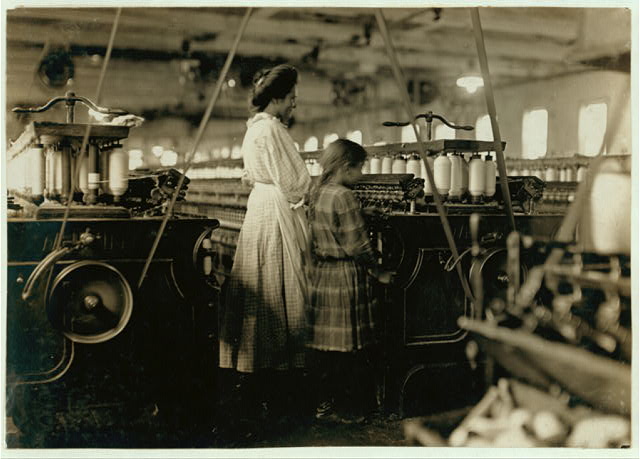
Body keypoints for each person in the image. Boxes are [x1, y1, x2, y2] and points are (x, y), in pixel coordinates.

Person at [218, 64, 312, 426]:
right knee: (283, 290)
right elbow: (295, 182)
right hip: (275, 210)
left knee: (262, 285)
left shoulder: (253, 129)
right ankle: (280, 387)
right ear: (276, 99)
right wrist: (310, 196)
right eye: (291, 99)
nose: (294, 106)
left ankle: (257, 377)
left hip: (259, 206)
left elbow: (252, 175)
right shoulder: (272, 130)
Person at [307, 139, 394, 424]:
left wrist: (362, 214)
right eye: (360, 168)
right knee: (351, 348)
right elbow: (357, 245)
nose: (362, 175)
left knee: (327, 346)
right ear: (346, 168)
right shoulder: (345, 196)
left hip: (323, 275)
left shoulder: (318, 190)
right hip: (345, 277)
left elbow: (326, 226)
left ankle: (324, 405)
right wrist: (378, 270)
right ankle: (351, 410)